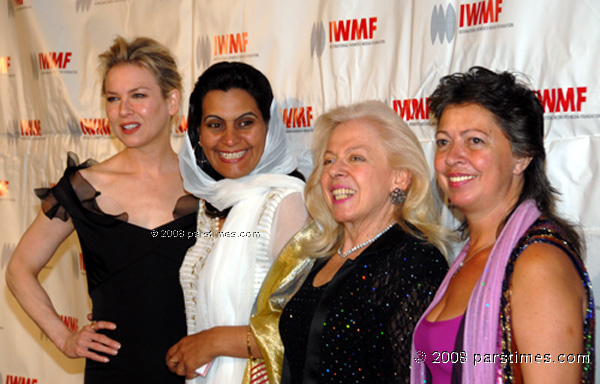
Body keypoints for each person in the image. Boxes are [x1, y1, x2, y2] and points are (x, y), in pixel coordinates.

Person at [6, 36, 197, 383]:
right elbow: (19, 269)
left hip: (197, 370)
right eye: (113, 98)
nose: (124, 110)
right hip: (114, 373)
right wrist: (64, 337)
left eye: (138, 95)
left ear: (171, 101)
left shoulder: (207, 186)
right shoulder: (82, 189)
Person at [411, 66, 595, 383]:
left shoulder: (538, 263)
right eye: (443, 141)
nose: (453, 156)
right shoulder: (468, 255)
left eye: (475, 140)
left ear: (522, 157)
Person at [254, 100, 448, 384]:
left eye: (356, 158)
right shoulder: (319, 254)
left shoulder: (415, 261)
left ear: (400, 178)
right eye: (329, 160)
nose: (335, 171)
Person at [166, 61, 308, 383]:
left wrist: (212, 341)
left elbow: (300, 323)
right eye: (215, 125)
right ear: (197, 134)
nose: (230, 139)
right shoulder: (213, 205)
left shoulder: (285, 202)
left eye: (245, 122)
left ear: (269, 128)